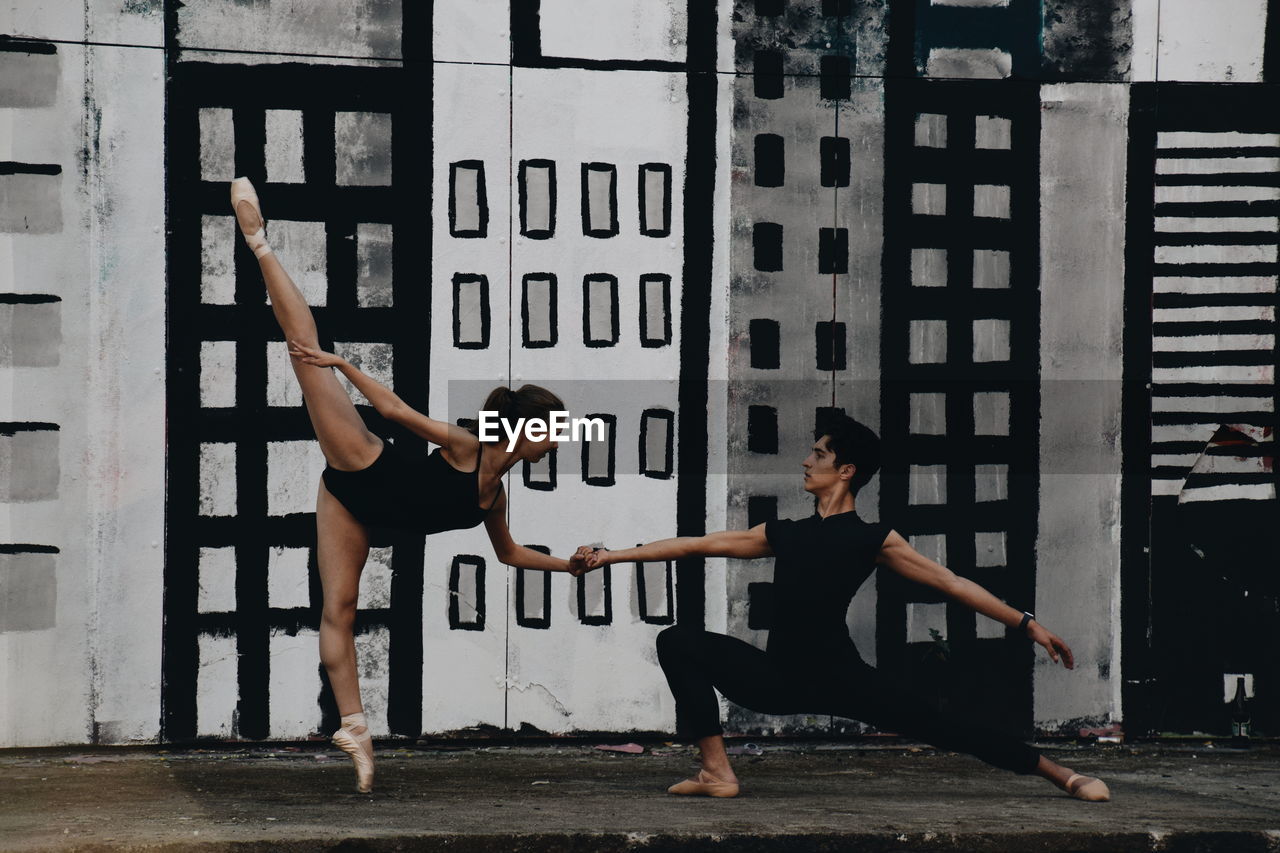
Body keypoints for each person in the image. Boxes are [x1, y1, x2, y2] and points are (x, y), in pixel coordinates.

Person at [230, 178, 586, 793]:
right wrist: (344, 367)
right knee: (305, 354)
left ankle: (355, 730)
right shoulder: (470, 445)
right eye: (552, 428)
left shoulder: (496, 496)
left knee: (338, 608)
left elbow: (509, 554)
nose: (557, 439)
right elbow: (396, 415)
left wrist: (567, 567)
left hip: (359, 513)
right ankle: (259, 240)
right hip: (363, 469)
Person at [579, 413, 1110, 802]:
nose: (806, 462)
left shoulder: (874, 538)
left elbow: (951, 582)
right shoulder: (785, 534)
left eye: (818, 455)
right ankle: (717, 773)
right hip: (776, 677)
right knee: (678, 639)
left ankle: (1062, 775)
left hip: (840, 677)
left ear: (846, 470)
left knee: (943, 725)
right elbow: (696, 543)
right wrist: (612, 555)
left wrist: (1026, 623)